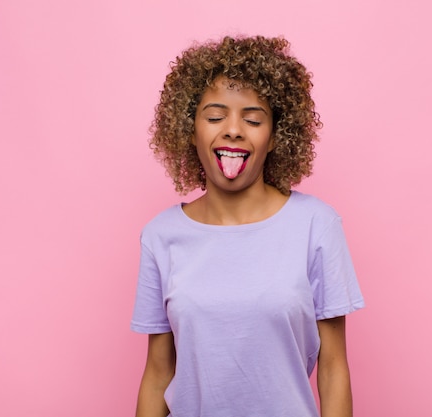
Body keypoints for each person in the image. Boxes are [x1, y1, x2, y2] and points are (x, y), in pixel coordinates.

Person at [131, 35, 364, 417]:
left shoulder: (316, 225)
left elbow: (334, 368)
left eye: (253, 119)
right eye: (215, 116)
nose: (234, 130)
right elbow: (158, 373)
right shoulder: (160, 236)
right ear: (190, 131)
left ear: (275, 137)